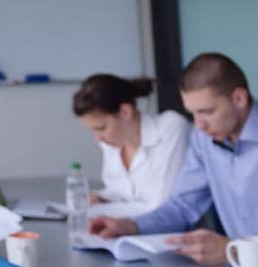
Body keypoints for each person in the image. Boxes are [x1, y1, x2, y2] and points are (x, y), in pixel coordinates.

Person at [87, 53, 258, 267]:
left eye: (207, 112)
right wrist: (131, 226)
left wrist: (232, 249)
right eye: (193, 114)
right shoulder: (205, 138)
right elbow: (183, 206)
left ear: (239, 99)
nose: (199, 125)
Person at [71, 74, 191, 212]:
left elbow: (161, 205)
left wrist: (109, 208)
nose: (97, 138)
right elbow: (120, 192)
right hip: (128, 229)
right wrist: (102, 198)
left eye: (101, 128)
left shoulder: (170, 128)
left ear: (125, 112)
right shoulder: (112, 143)